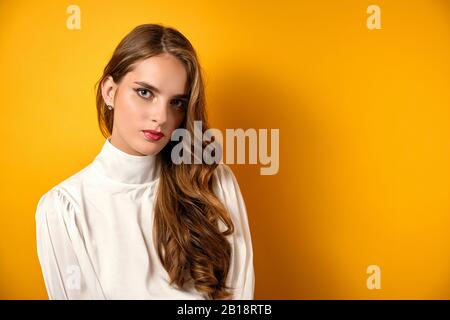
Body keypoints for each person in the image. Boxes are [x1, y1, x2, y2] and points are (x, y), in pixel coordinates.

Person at [35, 23, 255, 300]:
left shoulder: (212, 182)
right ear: (109, 91)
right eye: (145, 93)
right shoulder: (64, 209)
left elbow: (240, 297)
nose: (161, 117)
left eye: (176, 103)